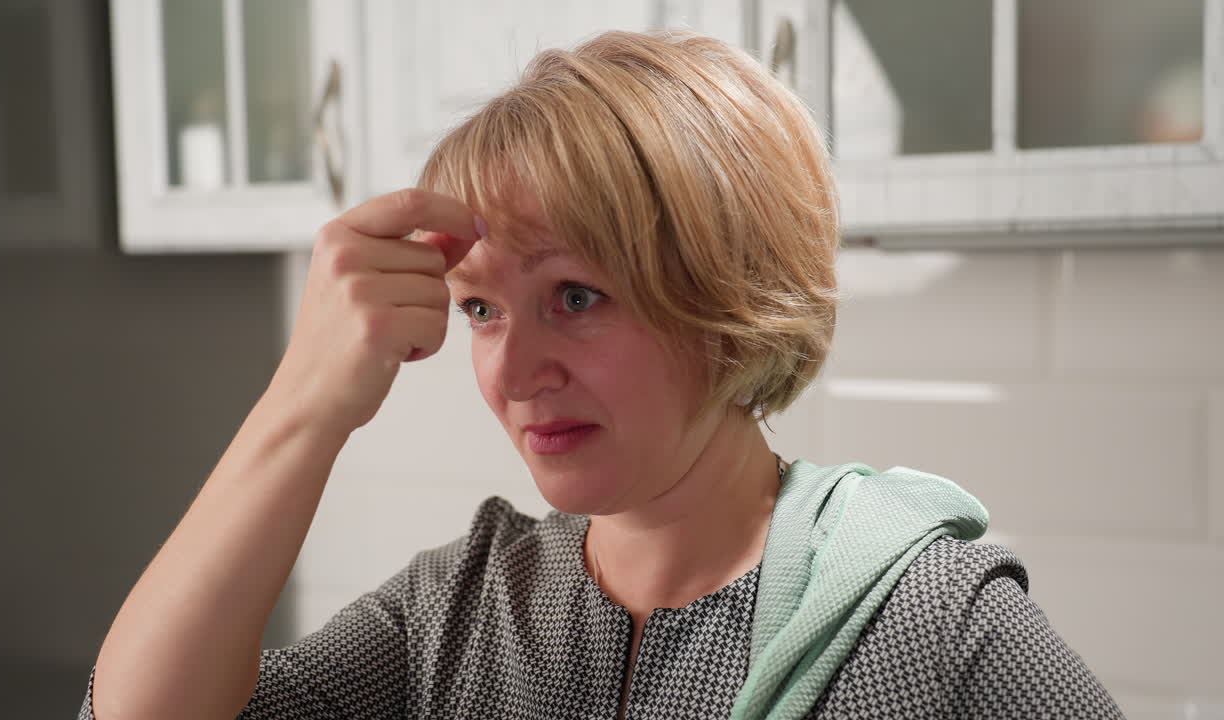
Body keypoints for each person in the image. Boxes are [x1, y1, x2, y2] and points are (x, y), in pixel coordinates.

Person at [79, 30, 1125, 720]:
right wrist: (303, 402)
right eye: (480, 308)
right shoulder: (460, 610)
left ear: (726, 294)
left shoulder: (923, 624)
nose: (514, 370)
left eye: (574, 296)